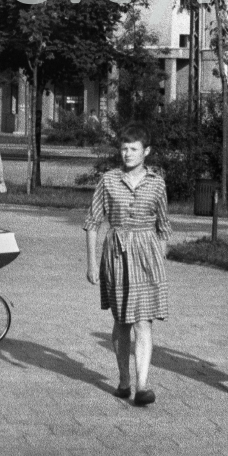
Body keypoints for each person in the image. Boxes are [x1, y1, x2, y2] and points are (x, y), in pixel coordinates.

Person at [84, 127, 169, 407]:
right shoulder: (108, 180)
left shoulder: (157, 183)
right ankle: (123, 380)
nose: (128, 153)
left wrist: (160, 259)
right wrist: (91, 264)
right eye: (124, 148)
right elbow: (93, 223)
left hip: (147, 256)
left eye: (133, 148)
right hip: (117, 254)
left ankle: (142, 385)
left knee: (144, 321)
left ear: (146, 151)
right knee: (121, 321)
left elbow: (164, 227)